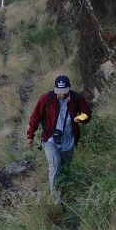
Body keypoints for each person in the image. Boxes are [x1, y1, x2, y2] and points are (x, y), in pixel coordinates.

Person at [26, 75, 91, 204]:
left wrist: (80, 118)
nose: (61, 95)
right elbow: (35, 117)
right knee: (55, 165)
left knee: (65, 170)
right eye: (58, 92)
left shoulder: (76, 99)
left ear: (69, 89)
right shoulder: (46, 99)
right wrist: (30, 135)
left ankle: (65, 194)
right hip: (50, 140)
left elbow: (87, 115)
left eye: (64, 92)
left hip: (69, 141)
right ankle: (57, 200)